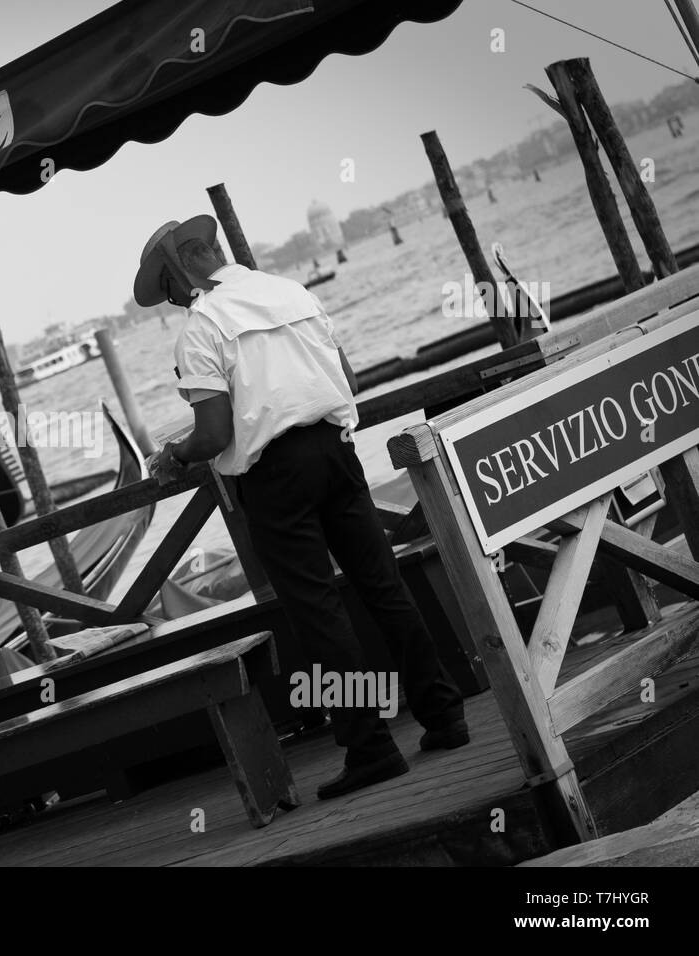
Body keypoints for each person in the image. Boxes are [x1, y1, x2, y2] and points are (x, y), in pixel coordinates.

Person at [133, 215, 468, 799]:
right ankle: (445, 715)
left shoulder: (201, 326)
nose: (169, 302)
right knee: (382, 585)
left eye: (165, 289)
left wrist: (174, 455)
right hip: (337, 452)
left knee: (318, 612)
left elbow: (212, 434)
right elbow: (348, 376)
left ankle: (371, 748)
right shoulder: (290, 291)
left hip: (276, 478)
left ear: (182, 268)